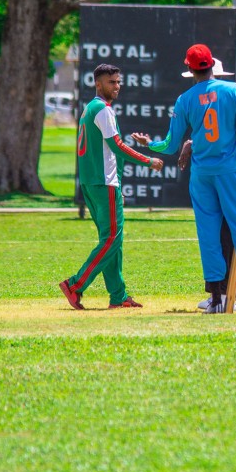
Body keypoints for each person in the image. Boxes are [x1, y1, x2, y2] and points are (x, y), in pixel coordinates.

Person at [131, 44, 236, 314]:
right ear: (212, 65)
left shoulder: (185, 99)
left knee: (208, 234)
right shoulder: (234, 91)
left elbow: (171, 145)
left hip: (201, 175)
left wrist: (150, 144)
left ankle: (217, 300)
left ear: (189, 68)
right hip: (230, 171)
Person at [59, 64, 163, 310]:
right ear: (98, 84)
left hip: (94, 182)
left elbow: (111, 151)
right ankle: (75, 285)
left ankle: (118, 296)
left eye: (118, 81)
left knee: (111, 241)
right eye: (111, 82)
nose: (117, 86)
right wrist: (148, 161)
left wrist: (119, 185)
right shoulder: (103, 110)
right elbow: (117, 147)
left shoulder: (90, 108)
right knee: (112, 240)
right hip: (103, 182)